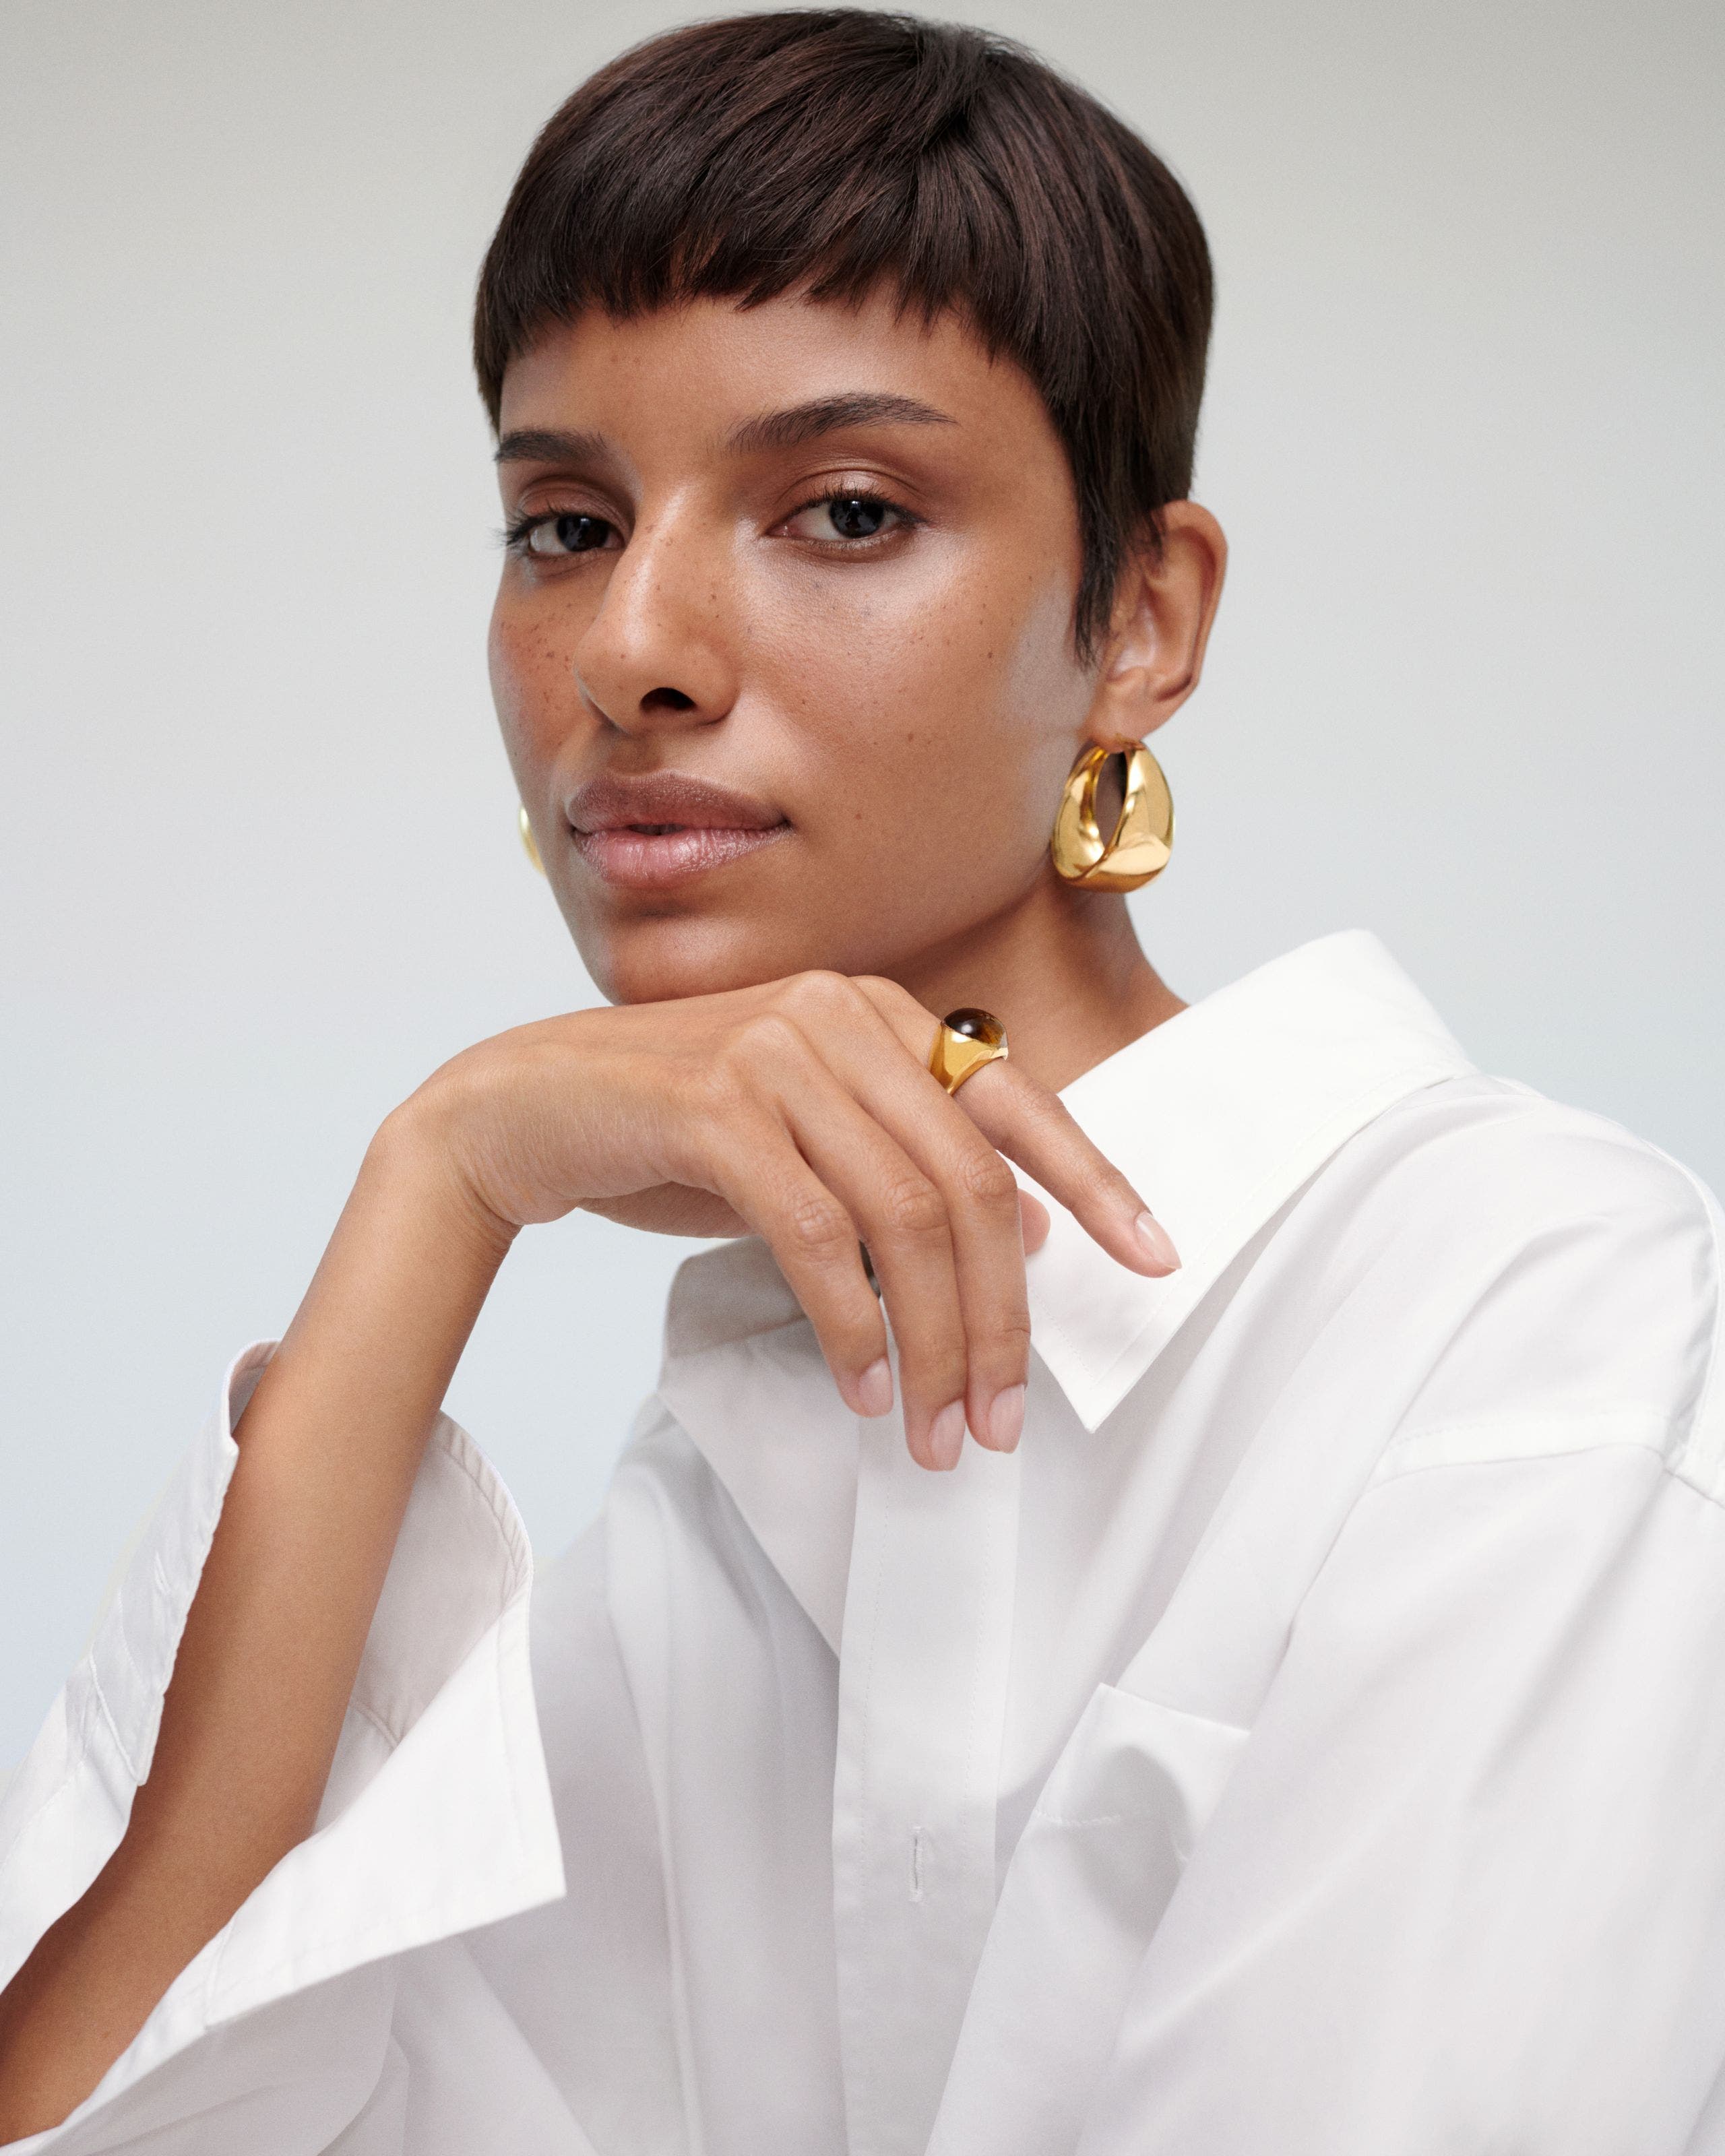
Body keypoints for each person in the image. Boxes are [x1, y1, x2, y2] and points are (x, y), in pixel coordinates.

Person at [3, 9, 1723, 2151]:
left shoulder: (1511, 1318)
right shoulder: (699, 1524)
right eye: (561, 524)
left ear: (1141, 620)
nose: (631, 646)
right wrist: (434, 1184)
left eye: (838, 506)